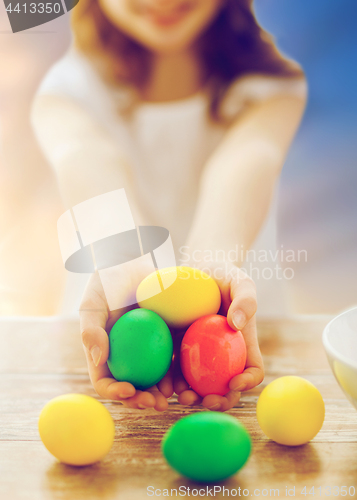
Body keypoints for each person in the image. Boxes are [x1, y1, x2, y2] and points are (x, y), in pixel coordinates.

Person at [31, 0, 307, 412]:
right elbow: (86, 159)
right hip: (112, 316)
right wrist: (124, 261)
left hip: (235, 321)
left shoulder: (273, 85)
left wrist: (208, 274)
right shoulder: (65, 91)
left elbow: (244, 164)